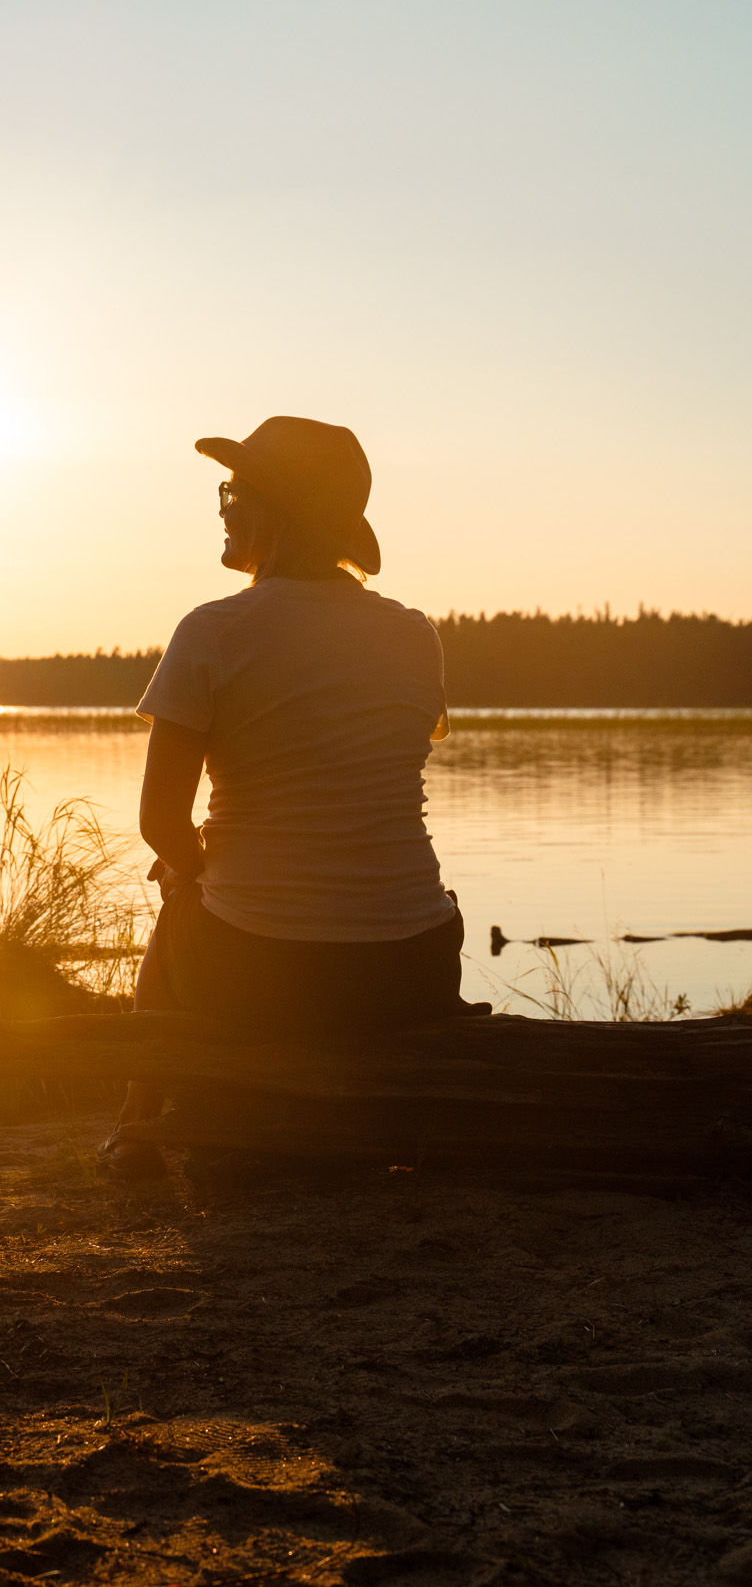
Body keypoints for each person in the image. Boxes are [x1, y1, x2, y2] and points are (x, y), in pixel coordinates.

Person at [103, 414, 476, 1176]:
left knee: (180, 889)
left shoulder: (213, 630)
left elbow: (160, 823)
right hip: (414, 970)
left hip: (264, 971)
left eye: (233, 491)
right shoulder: (414, 633)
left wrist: (193, 865)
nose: (221, 506)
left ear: (271, 509)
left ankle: (134, 1130)